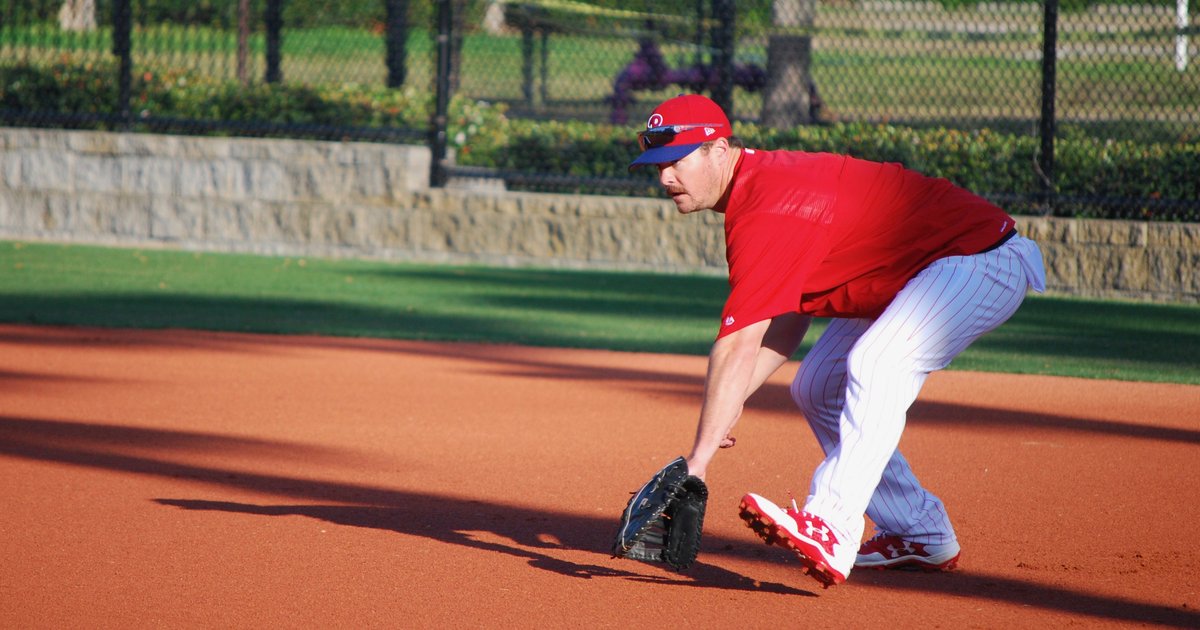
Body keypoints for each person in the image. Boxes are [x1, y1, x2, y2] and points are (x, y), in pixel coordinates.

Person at [628, 94, 1046, 588]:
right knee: (819, 385)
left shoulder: (768, 203)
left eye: (675, 162)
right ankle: (919, 530)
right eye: (658, 166)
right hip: (918, 273)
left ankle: (831, 524)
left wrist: (698, 461)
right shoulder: (757, 191)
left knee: (877, 362)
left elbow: (739, 341)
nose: (664, 179)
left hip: (981, 260)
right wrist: (730, 403)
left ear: (718, 150)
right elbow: (785, 321)